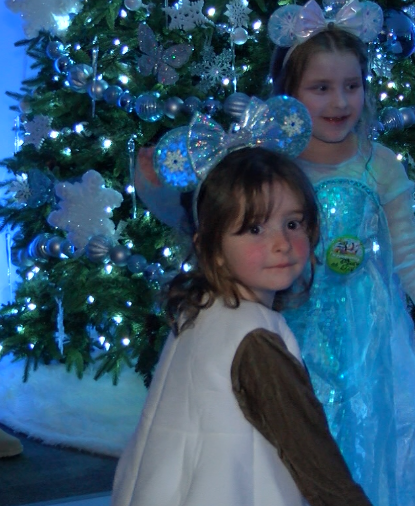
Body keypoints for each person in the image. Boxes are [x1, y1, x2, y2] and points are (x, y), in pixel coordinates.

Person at [112, 96, 371, 506]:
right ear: (211, 247)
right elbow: (312, 456)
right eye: (254, 229)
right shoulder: (255, 339)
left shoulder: (200, 306)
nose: (282, 243)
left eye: (293, 223)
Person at [267, 1, 415, 505]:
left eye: (352, 85)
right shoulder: (271, 167)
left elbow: (412, 256)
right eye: (320, 87)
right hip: (294, 340)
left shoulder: (379, 166)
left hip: (372, 347)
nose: (340, 101)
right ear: (289, 93)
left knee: (372, 452)